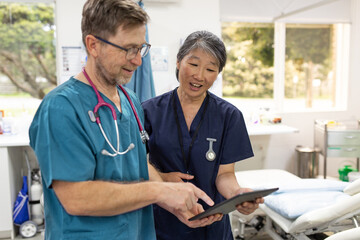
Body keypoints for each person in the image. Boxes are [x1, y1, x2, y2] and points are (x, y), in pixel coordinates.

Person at [29, 1, 218, 239]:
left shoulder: (130, 99)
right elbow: (76, 198)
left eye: (140, 48)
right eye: (128, 49)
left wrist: (174, 203)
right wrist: (160, 192)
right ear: (93, 44)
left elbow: (135, 161)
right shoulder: (61, 108)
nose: (138, 60)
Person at [142, 30, 264, 239]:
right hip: (163, 220)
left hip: (211, 222)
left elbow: (224, 174)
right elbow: (132, 163)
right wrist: (162, 178)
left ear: (217, 74)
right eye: (194, 64)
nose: (199, 75)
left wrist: (237, 196)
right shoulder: (149, 111)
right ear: (179, 62)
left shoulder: (229, 116)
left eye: (210, 69)